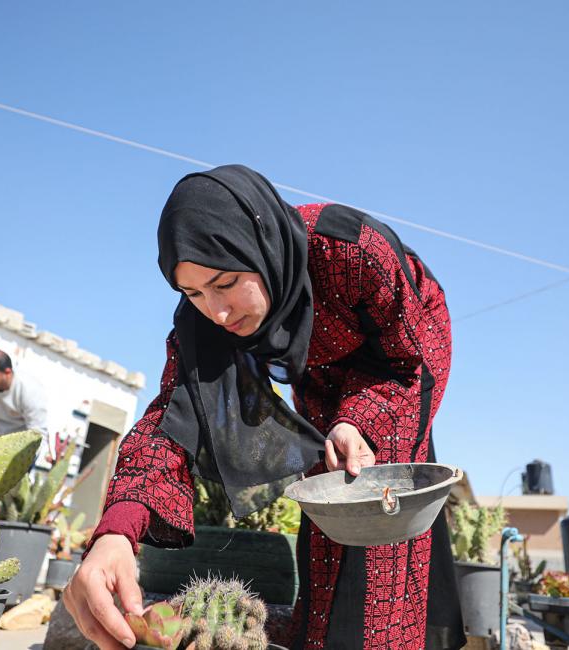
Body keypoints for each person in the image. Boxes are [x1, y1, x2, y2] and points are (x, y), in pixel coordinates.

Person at [63, 165, 463, 650]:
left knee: (379, 520)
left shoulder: (351, 249)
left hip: (398, 369)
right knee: (327, 515)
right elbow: (169, 421)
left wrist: (359, 420)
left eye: (226, 282)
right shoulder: (204, 319)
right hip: (317, 379)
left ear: (261, 247)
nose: (219, 312)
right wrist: (116, 534)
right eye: (192, 292)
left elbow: (413, 357)